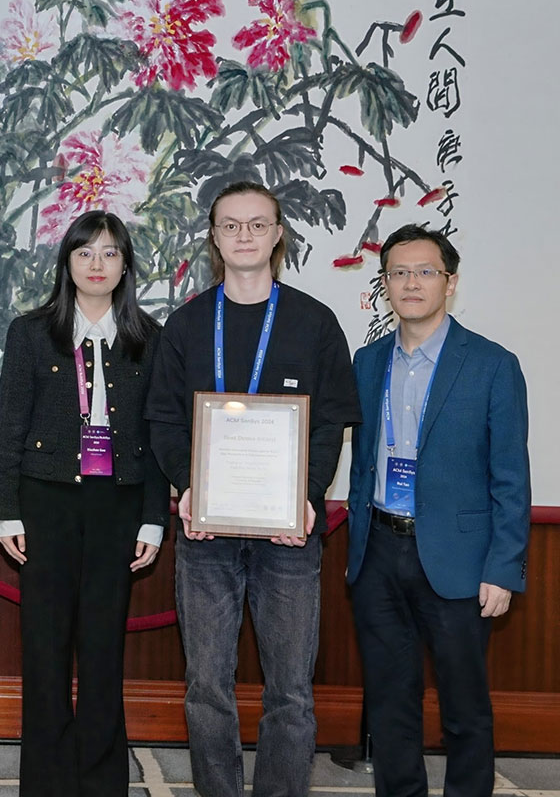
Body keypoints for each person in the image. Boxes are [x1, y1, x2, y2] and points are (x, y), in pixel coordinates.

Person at [144, 181, 361, 797]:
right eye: (231, 225)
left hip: (288, 534)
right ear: (214, 238)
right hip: (204, 533)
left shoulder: (314, 322)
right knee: (206, 685)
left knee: (290, 689)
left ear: (277, 235)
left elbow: (330, 423)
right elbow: (163, 418)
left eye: (257, 224)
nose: (244, 235)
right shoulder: (186, 324)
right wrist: (189, 488)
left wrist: (308, 495)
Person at [346, 224, 529, 797]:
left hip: (457, 559)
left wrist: (503, 567)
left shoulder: (493, 365)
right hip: (377, 552)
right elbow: (360, 462)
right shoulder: (367, 361)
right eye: (398, 272)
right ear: (385, 285)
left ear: (449, 282)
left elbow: (510, 477)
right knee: (390, 704)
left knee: (463, 708)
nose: (411, 283)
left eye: (425, 271)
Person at [0, 210, 168, 796]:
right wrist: (7, 511)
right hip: (45, 506)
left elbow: (156, 435)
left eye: (110, 253)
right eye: (85, 253)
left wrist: (153, 517)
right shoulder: (31, 332)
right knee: (44, 651)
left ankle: (99, 783)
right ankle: (44, 784)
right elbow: (10, 427)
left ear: (125, 265)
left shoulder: (149, 337)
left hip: (117, 507)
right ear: (67, 262)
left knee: (101, 650)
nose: (97, 265)